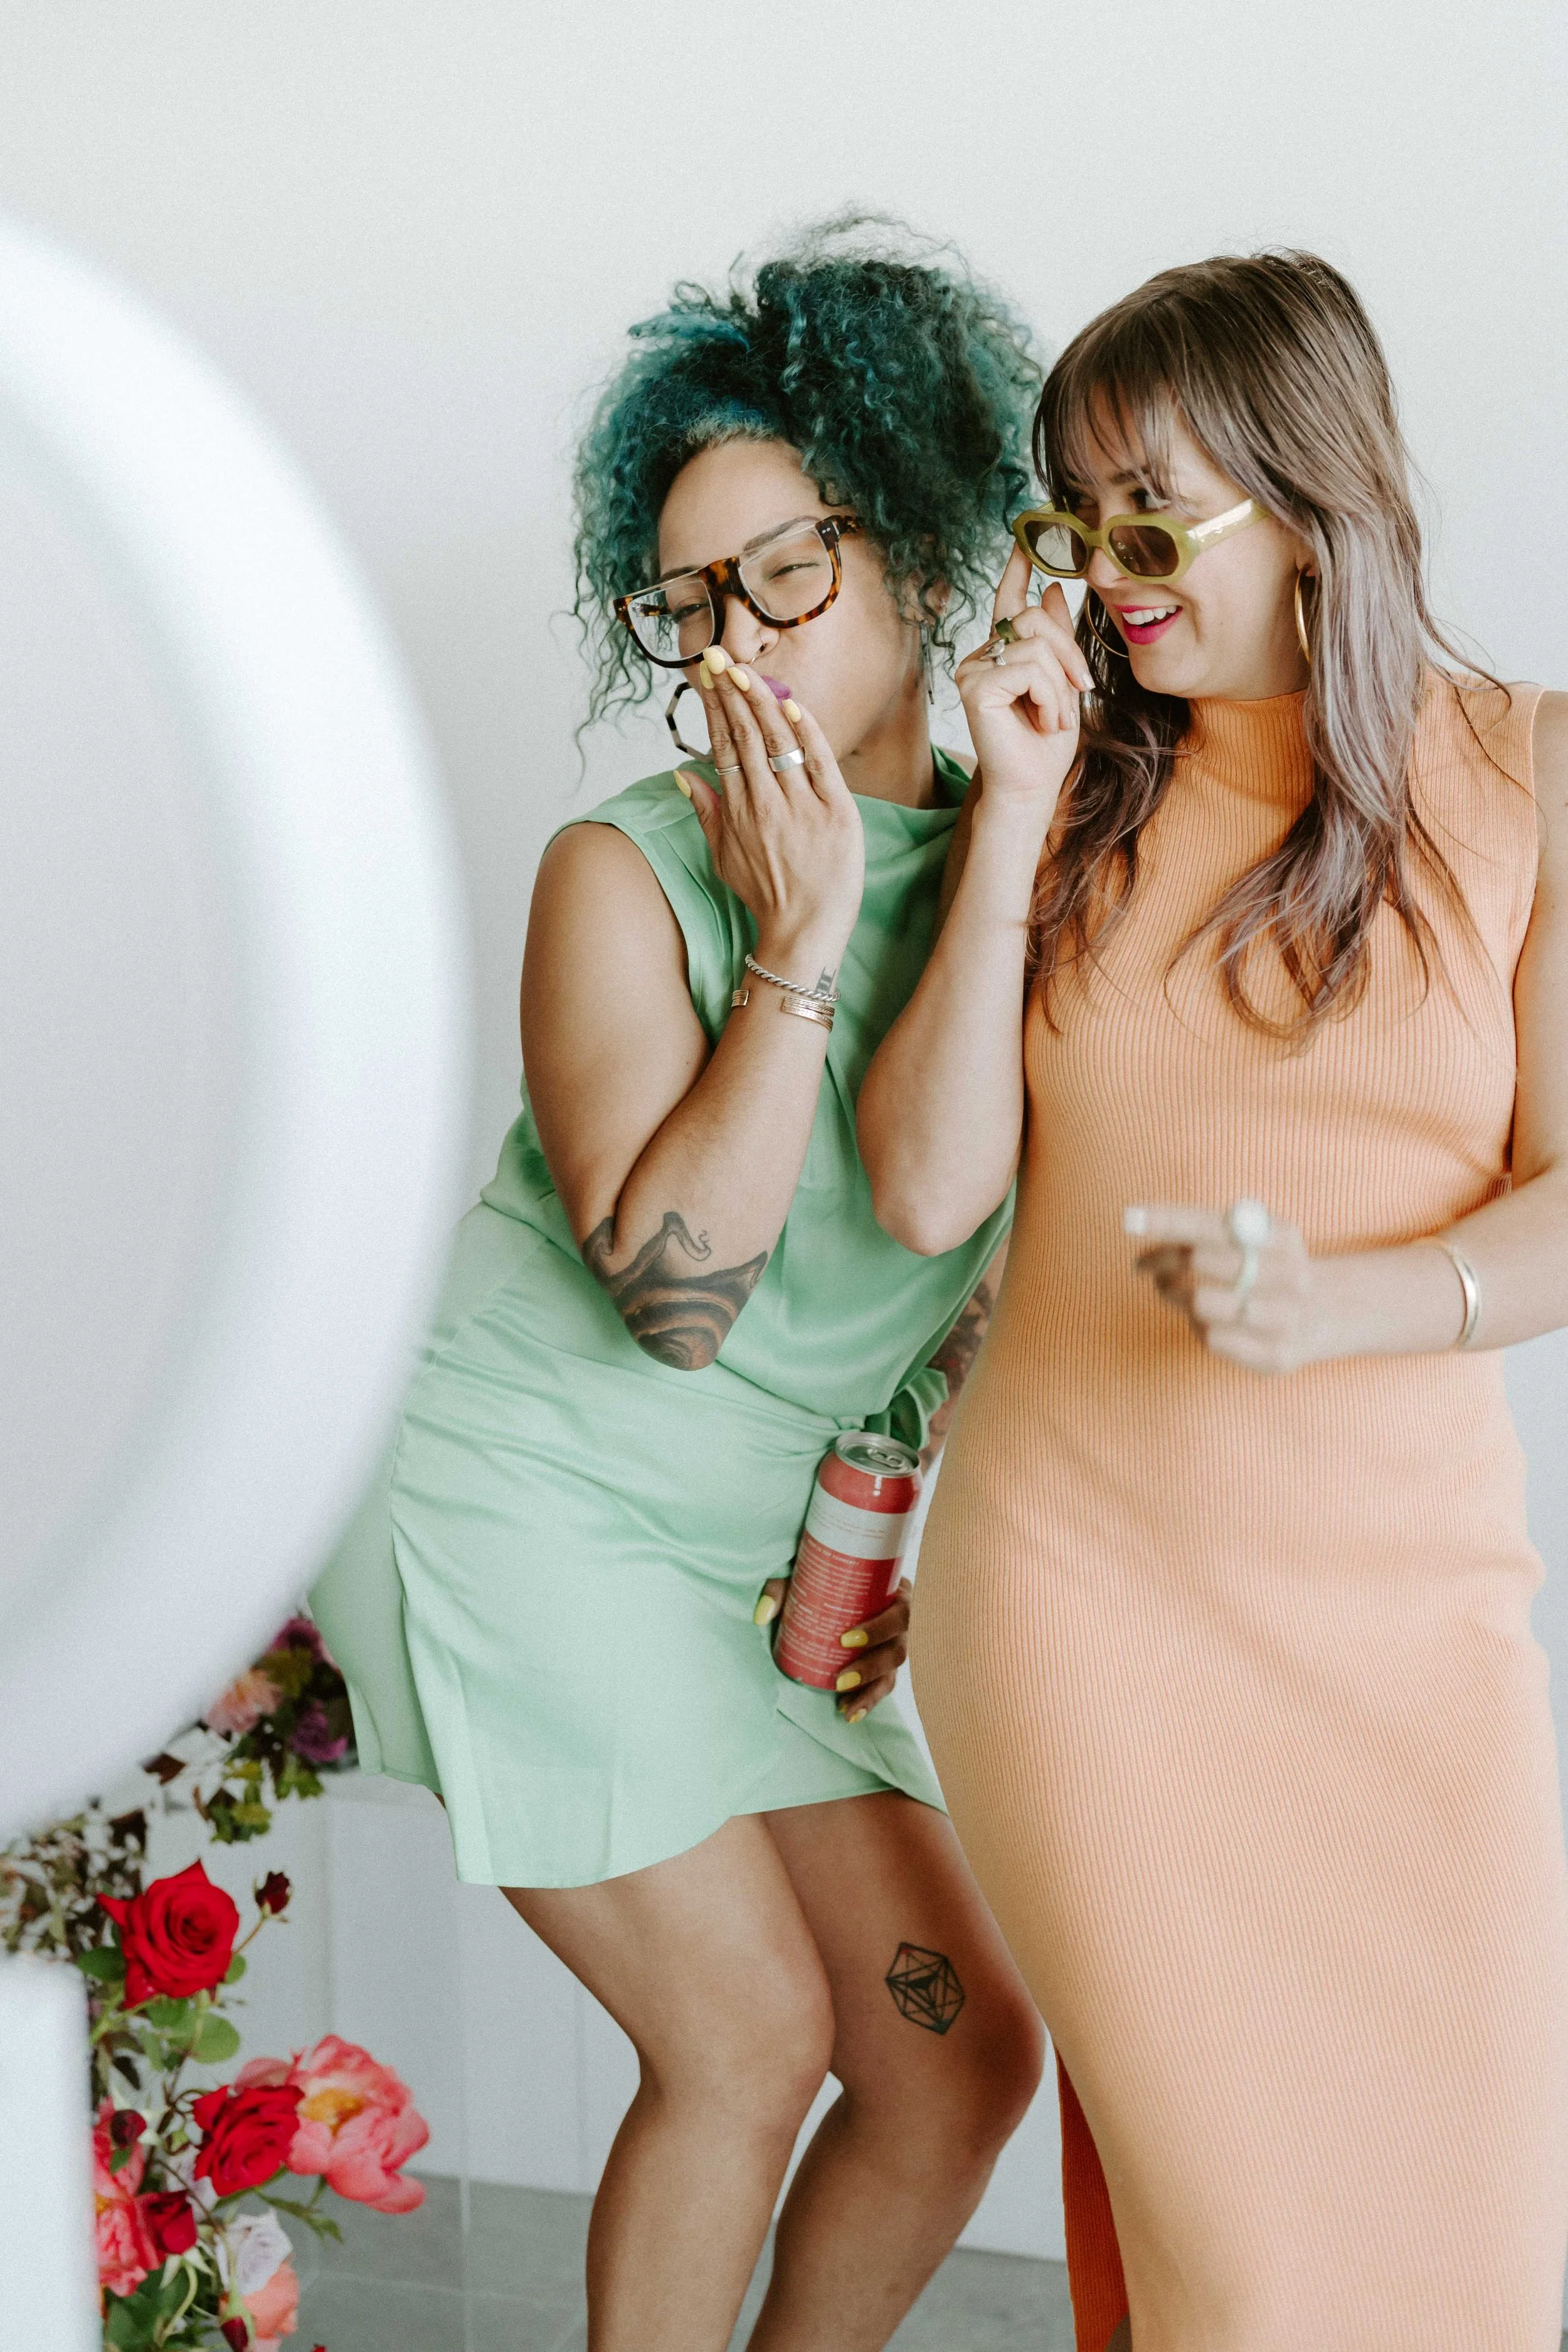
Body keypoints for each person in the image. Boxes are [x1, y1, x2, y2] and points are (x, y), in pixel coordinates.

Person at [310, 225, 1051, 2352]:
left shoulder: (1029, 844)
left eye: (783, 574)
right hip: (522, 1497)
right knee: (741, 2037)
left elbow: (963, 1236)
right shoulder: (626, 871)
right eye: (689, 600)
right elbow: (675, 1300)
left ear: (917, 544)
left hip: (757, 1567)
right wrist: (797, 948)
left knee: (951, 2053)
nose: (731, 640)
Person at [858, 250, 1568, 2352]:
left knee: (1467, 2255)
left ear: (1313, 493)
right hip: (1090, 1605)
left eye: (1147, 512)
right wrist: (999, 810)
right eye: (1067, 518)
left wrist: (1357, 1303)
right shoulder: (1069, 789)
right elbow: (925, 1193)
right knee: (1251, 2267)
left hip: (1412, 1630)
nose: (1100, 569)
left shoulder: (1526, 774)